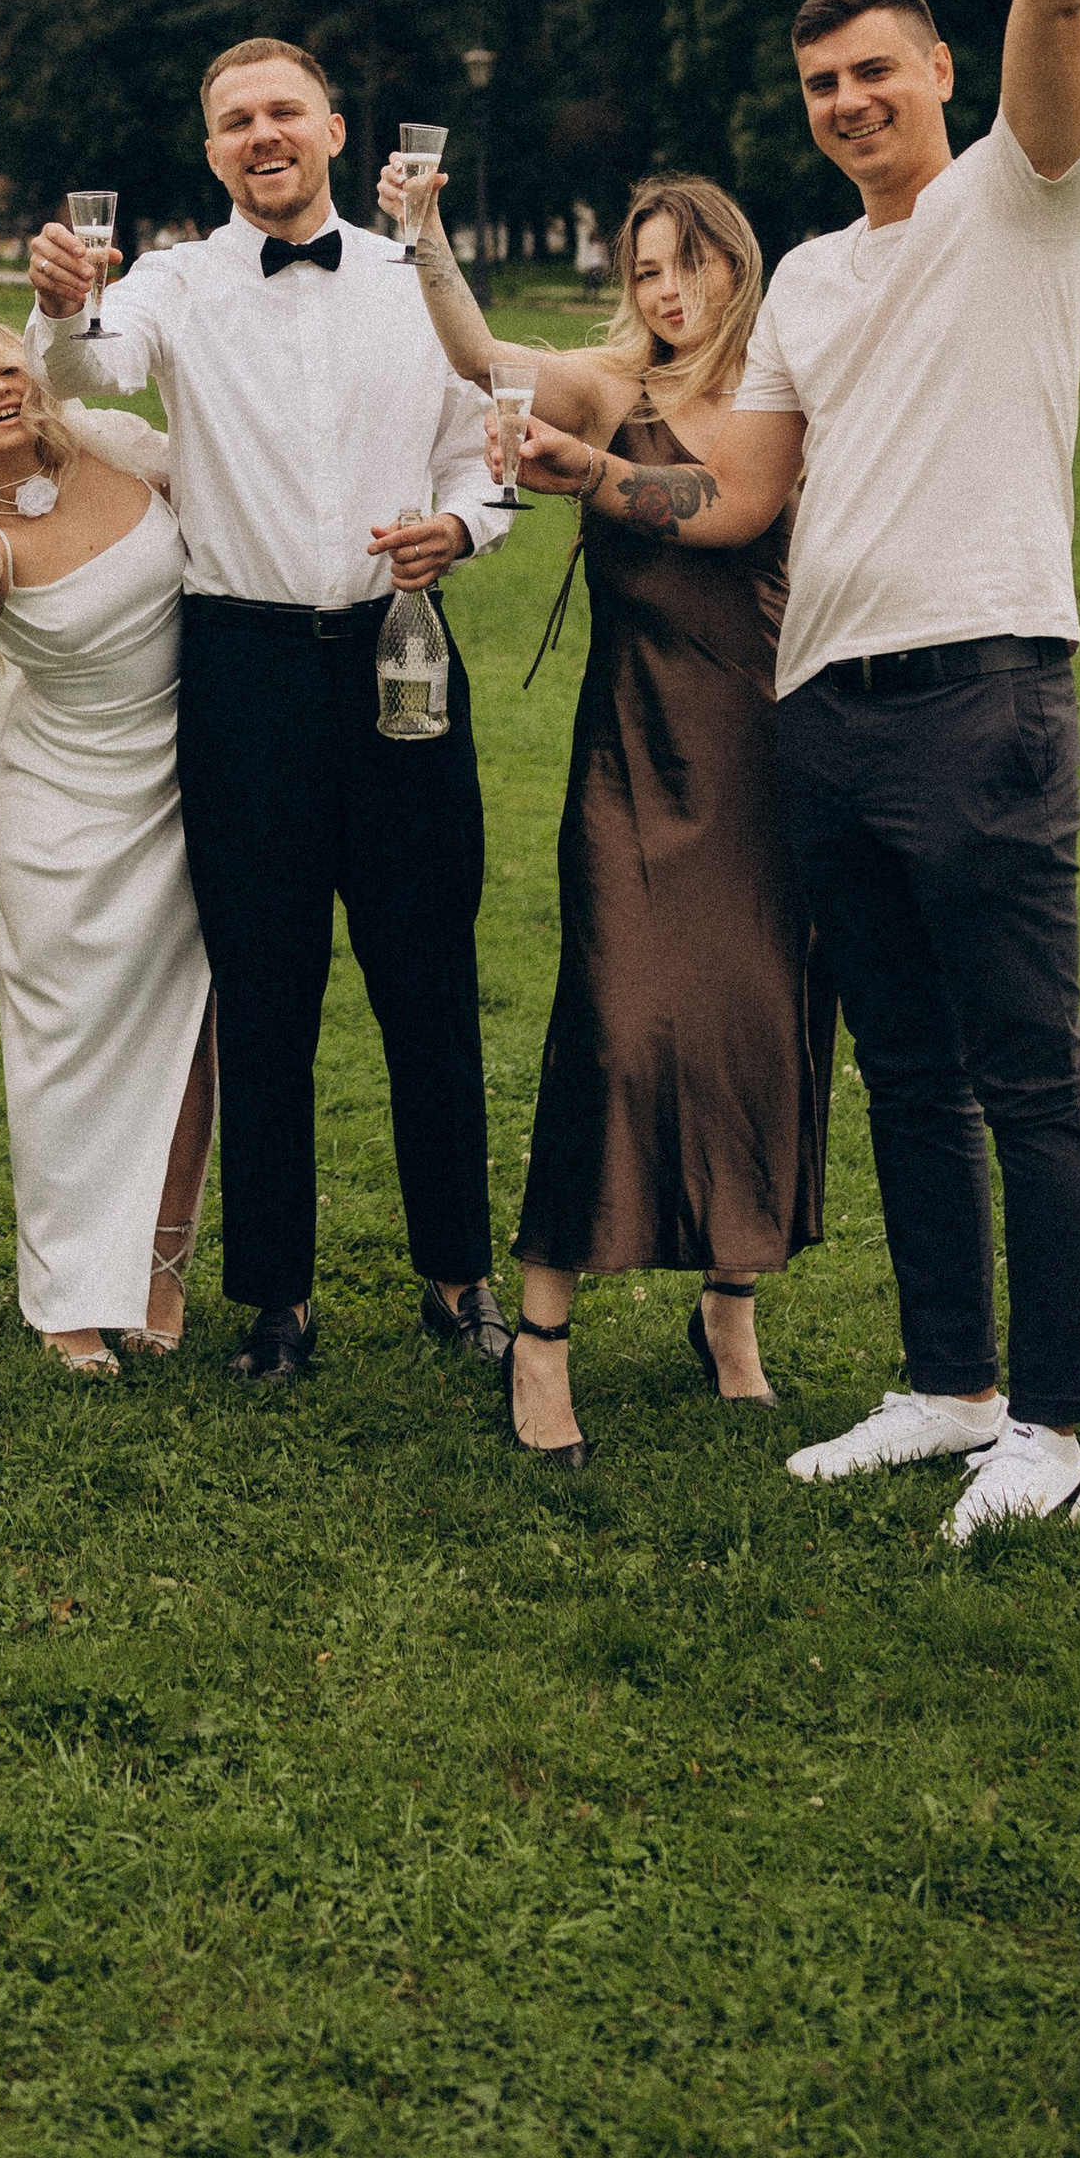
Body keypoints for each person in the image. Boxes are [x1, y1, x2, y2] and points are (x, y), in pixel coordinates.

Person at [514, 0, 1080, 1542]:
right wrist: (598, 474)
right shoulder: (821, 292)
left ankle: (1059, 1424)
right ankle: (949, 1383)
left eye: (878, 70)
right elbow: (743, 495)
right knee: (916, 1073)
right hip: (827, 711)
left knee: (1028, 1067)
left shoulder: (1019, 194)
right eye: (822, 83)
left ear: (940, 75)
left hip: (985, 685)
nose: (852, 99)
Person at [26, 42, 508, 1388]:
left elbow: (489, 454)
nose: (261, 134)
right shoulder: (172, 282)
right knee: (264, 988)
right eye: (235, 120)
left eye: (283, 111)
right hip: (241, 673)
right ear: (211, 151)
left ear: (336, 129)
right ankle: (277, 1300)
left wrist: (458, 530)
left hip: (399, 650)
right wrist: (61, 304)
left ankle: (457, 1275)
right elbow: (79, 376)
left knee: (428, 980)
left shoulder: (423, 281)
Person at [389, 157, 828, 1465]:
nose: (665, 289)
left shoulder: (778, 388)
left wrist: (590, 477)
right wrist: (426, 235)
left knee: (761, 1026)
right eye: (643, 269)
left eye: (686, 263)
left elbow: (725, 503)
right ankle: (542, 1343)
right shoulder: (612, 384)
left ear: (734, 265)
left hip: (765, 749)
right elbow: (476, 353)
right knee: (616, 1027)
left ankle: (731, 1312)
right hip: (634, 751)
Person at [0, 320, 216, 1374]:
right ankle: (67, 1295)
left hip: (188, 792)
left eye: (6, 365)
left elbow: (222, 487)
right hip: (63, 816)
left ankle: (160, 1268)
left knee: (190, 1040)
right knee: (61, 1057)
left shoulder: (113, 443)